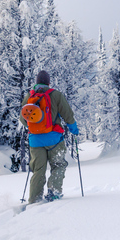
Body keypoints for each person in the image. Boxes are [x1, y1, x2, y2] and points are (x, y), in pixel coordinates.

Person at [19, 70, 79, 204]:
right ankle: (54, 192)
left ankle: (34, 199)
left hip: (35, 141)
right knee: (58, 165)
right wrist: (73, 129)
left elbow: (23, 119)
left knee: (38, 170)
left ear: (36, 82)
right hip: (54, 139)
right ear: (48, 82)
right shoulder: (56, 95)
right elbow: (67, 114)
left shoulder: (29, 96)